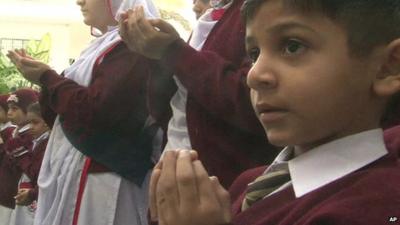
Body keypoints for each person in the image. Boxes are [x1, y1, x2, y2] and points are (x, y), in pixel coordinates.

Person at [148, 0, 400, 225]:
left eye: (292, 46)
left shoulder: (375, 206)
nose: (254, 75)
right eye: (254, 54)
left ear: (386, 68)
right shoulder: (248, 183)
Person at [7, 0, 159, 225]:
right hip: (78, 173)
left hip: (106, 180)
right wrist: (47, 80)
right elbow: (62, 118)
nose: (79, 1)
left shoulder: (134, 46)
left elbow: (97, 114)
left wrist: (48, 78)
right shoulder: (98, 48)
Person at [119, 0, 279, 188]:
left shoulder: (259, 10)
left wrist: (172, 51)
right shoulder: (210, 19)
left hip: (221, 187)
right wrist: (154, 54)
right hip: (175, 173)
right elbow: (176, 105)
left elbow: (252, 100)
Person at [8, 102, 50, 225]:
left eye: (35, 122)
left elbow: (35, 172)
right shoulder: (35, 140)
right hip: (25, 193)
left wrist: (21, 155)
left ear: (48, 122)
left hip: (34, 197)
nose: (31, 126)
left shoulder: (46, 144)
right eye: (29, 122)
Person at [0, 88, 38, 225]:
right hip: (6, 193)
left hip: (20, 194)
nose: (9, 113)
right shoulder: (15, 133)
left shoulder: (31, 136)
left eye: (15, 109)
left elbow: (27, 166)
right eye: (9, 108)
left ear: (28, 110)